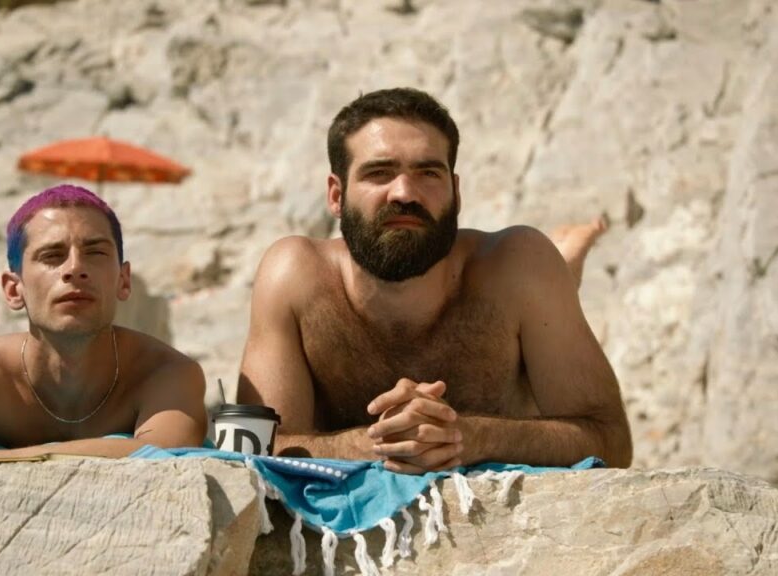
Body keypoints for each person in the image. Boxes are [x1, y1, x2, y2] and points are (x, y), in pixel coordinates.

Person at [237, 87, 632, 474]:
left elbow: (612, 442)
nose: (405, 193)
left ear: (456, 193)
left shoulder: (518, 266)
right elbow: (252, 448)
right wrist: (378, 442)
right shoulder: (293, 275)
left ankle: (566, 260)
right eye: (379, 172)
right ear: (336, 195)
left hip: (526, 275)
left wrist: (472, 437)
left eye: (428, 173)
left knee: (544, 267)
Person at [0, 184, 207, 557]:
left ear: (123, 280)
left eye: (95, 252)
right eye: (52, 255)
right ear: (12, 289)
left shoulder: (163, 372)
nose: (75, 269)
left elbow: (168, 456)